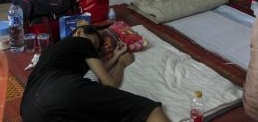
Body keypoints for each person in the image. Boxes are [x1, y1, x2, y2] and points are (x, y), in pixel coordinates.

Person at [20, 25, 170, 122]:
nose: (94, 50)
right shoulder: (81, 42)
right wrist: (121, 64)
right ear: (80, 32)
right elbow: (109, 83)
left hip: (29, 111)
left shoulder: (54, 52)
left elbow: (96, 71)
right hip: (59, 90)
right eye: (94, 45)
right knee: (149, 109)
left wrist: (116, 56)